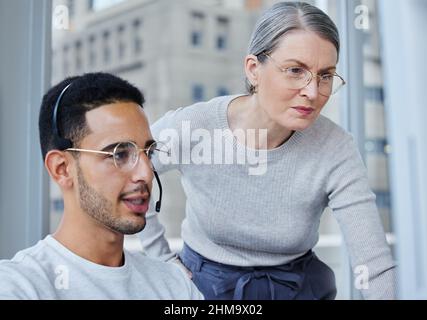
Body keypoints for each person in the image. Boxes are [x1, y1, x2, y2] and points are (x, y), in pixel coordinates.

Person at [139, 2, 396, 300]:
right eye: (295, 70)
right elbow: (126, 171)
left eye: (325, 75)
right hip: (203, 287)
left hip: (299, 288)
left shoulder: (335, 147)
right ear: (253, 69)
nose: (313, 92)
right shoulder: (195, 126)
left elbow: (373, 264)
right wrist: (160, 259)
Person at [0, 73, 203, 300]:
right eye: (120, 154)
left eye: (149, 153)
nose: (146, 173)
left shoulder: (173, 285)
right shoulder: (19, 287)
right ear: (62, 169)